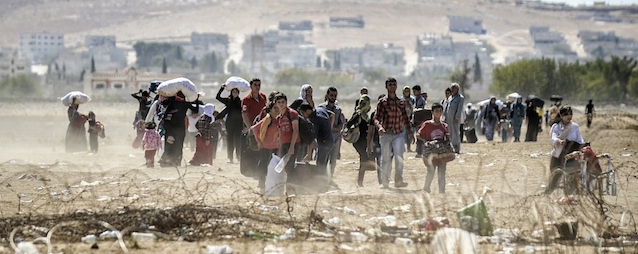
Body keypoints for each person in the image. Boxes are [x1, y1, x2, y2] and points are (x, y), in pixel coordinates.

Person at [374, 77, 414, 189]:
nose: (392, 86)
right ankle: (385, 182)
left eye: (394, 84)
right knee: (386, 158)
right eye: (390, 84)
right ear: (386, 87)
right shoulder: (382, 103)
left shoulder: (401, 103)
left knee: (399, 156)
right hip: (386, 134)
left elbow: (406, 118)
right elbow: (376, 118)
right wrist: (380, 127)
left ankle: (398, 180)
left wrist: (410, 133)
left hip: (398, 133)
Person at [418, 102, 450, 193]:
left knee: (441, 173)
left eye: (440, 111)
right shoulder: (427, 124)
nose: (438, 113)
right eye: (436, 111)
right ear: (432, 112)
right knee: (431, 171)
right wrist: (426, 141)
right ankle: (426, 188)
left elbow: (447, 137)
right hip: (431, 152)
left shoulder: (444, 126)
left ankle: (441, 191)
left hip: (441, 152)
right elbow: (418, 135)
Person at [159, 93, 196, 167]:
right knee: (178, 146)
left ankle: (167, 162)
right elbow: (195, 110)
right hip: (179, 129)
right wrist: (197, 100)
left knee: (170, 146)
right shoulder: (185, 104)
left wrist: (168, 133)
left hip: (172, 130)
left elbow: (166, 120)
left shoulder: (172, 103)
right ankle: (175, 162)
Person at [344, 95, 372, 187]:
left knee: (364, 159)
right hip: (358, 141)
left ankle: (360, 182)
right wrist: (353, 129)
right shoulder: (358, 114)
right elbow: (348, 124)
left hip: (364, 140)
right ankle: (360, 182)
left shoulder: (364, 115)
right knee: (363, 158)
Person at [253, 100, 282, 192]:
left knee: (275, 167)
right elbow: (255, 129)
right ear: (270, 110)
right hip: (266, 147)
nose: (277, 110)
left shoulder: (280, 119)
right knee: (264, 166)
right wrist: (258, 141)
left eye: (278, 108)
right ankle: (262, 185)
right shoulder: (268, 119)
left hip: (276, 147)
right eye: (275, 108)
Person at [300, 103, 334, 177]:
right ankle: (325, 180)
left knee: (320, 165)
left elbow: (311, 138)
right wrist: (329, 129)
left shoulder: (314, 120)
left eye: (303, 113)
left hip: (324, 143)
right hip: (330, 140)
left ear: (308, 111)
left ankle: (322, 183)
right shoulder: (320, 109)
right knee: (323, 163)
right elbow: (332, 115)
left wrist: (309, 154)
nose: (303, 115)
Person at [318, 87, 344, 178]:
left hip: (336, 138)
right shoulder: (322, 108)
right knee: (323, 160)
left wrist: (338, 128)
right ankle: (322, 178)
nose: (333, 97)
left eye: (335, 96)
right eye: (331, 95)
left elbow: (341, 123)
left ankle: (330, 178)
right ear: (327, 95)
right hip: (325, 139)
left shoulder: (338, 110)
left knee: (333, 161)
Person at [549, 106, 584, 170]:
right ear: (561, 116)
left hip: (572, 155)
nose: (569, 116)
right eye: (566, 114)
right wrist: (559, 141)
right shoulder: (556, 127)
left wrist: (582, 145)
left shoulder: (575, 127)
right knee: (555, 177)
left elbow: (579, 139)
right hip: (558, 155)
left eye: (570, 114)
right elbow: (553, 138)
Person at [216, 84, 243, 163]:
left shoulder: (241, 102)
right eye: (233, 92)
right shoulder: (228, 100)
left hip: (238, 123)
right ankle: (230, 157)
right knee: (230, 140)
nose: (235, 93)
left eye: (236, 92)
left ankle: (238, 156)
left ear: (238, 93)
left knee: (238, 141)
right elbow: (217, 97)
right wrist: (222, 88)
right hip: (230, 123)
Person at [275, 93, 301, 176]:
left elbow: (295, 130)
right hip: (284, 144)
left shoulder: (292, 113)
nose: (281, 104)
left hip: (293, 143)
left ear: (286, 102)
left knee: (290, 167)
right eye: (279, 102)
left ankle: (291, 188)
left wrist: (292, 147)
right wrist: (280, 149)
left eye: (283, 102)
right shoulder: (279, 117)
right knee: (284, 167)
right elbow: (280, 134)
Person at [364, 94, 386, 187]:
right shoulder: (374, 114)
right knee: (380, 161)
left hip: (388, 141)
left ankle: (385, 179)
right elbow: (370, 131)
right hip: (377, 142)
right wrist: (368, 146)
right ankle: (382, 181)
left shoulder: (392, 113)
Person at [445, 83, 465, 153]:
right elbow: (447, 107)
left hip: (455, 118)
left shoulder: (460, 98)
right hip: (448, 118)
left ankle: (457, 148)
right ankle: (451, 147)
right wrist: (444, 116)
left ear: (457, 89)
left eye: (454, 88)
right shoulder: (450, 98)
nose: (452, 89)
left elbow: (459, 109)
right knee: (449, 132)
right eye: (452, 88)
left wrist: (457, 118)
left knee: (455, 133)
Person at [412, 85, 426, 157]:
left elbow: (420, 109)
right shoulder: (417, 99)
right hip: (418, 119)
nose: (414, 93)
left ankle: (420, 151)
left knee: (420, 135)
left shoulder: (421, 99)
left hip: (420, 119)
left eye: (415, 91)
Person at [402, 86, 415, 152]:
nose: (406, 93)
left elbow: (413, 108)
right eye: (405, 91)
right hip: (402, 117)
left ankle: (408, 147)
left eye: (407, 91)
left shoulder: (412, 99)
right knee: (402, 133)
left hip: (409, 117)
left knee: (408, 133)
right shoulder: (401, 99)